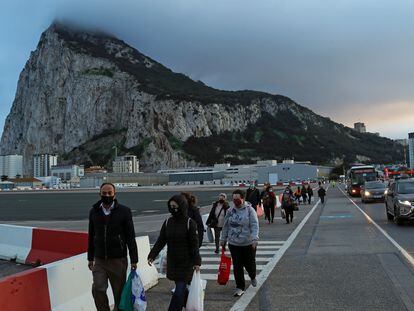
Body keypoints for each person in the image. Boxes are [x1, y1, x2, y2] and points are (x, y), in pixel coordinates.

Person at [88, 183, 138, 311]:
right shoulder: (94, 211)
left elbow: (130, 237)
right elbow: (91, 235)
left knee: (119, 294)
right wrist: (90, 257)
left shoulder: (124, 211)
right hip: (100, 260)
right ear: (100, 194)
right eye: (104, 193)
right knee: (98, 288)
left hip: (118, 260)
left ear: (115, 194)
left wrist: (134, 259)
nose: (107, 195)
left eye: (109, 193)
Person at [148, 194, 201, 311]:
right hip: (173, 261)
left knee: (179, 291)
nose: (173, 209)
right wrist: (152, 255)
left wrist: (197, 262)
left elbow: (194, 245)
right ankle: (191, 306)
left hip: (186, 263)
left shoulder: (190, 223)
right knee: (181, 290)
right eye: (171, 206)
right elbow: (161, 240)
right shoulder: (168, 222)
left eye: (175, 206)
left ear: (181, 206)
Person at [220, 189, 259, 297]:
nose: (235, 201)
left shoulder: (250, 210)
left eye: (238, 199)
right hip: (234, 243)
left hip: (248, 243)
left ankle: (252, 276)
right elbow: (226, 226)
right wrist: (223, 239)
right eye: (234, 199)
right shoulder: (230, 211)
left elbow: (254, 225)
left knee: (249, 264)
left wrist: (255, 239)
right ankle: (240, 287)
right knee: (237, 265)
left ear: (243, 199)